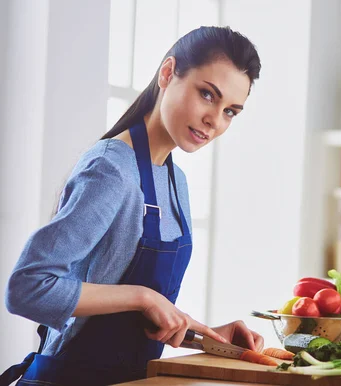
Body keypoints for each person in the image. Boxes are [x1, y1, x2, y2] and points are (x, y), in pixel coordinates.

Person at [0, 26, 263, 386]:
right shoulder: (111, 170)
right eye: (207, 94)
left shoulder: (175, 182)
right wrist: (142, 296)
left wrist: (206, 336)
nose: (215, 120)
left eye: (231, 111)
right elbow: (27, 288)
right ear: (168, 73)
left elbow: (129, 319)